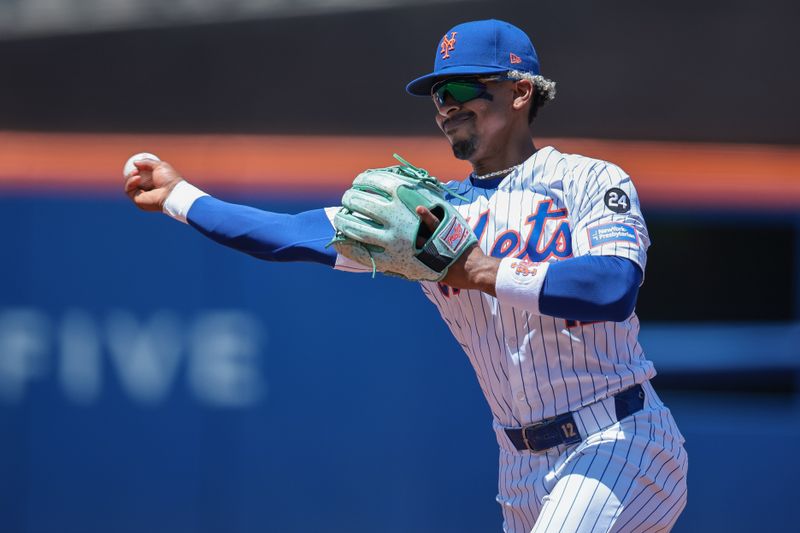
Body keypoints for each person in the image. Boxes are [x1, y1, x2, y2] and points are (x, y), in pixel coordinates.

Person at [124, 19, 687, 533]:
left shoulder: (585, 180)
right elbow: (288, 234)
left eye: (466, 88)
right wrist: (180, 195)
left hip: (618, 436)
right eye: (440, 96)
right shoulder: (422, 215)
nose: (448, 106)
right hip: (519, 465)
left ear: (521, 91)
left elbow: (613, 287)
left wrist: (480, 269)